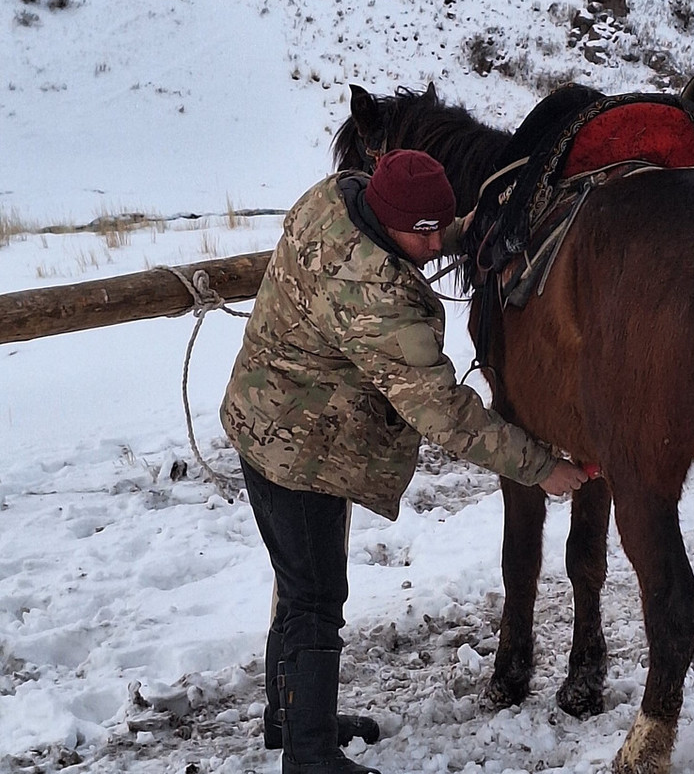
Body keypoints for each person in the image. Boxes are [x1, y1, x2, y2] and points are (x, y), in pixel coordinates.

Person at [221, 149, 588, 774]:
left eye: (434, 230)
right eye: (423, 234)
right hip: (299, 449)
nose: (431, 246)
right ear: (394, 223)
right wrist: (540, 467)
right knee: (315, 596)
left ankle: (289, 718)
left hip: (272, 413)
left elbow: (406, 230)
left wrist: (459, 228)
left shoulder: (335, 198)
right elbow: (445, 414)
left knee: (298, 578)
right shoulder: (379, 298)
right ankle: (310, 757)